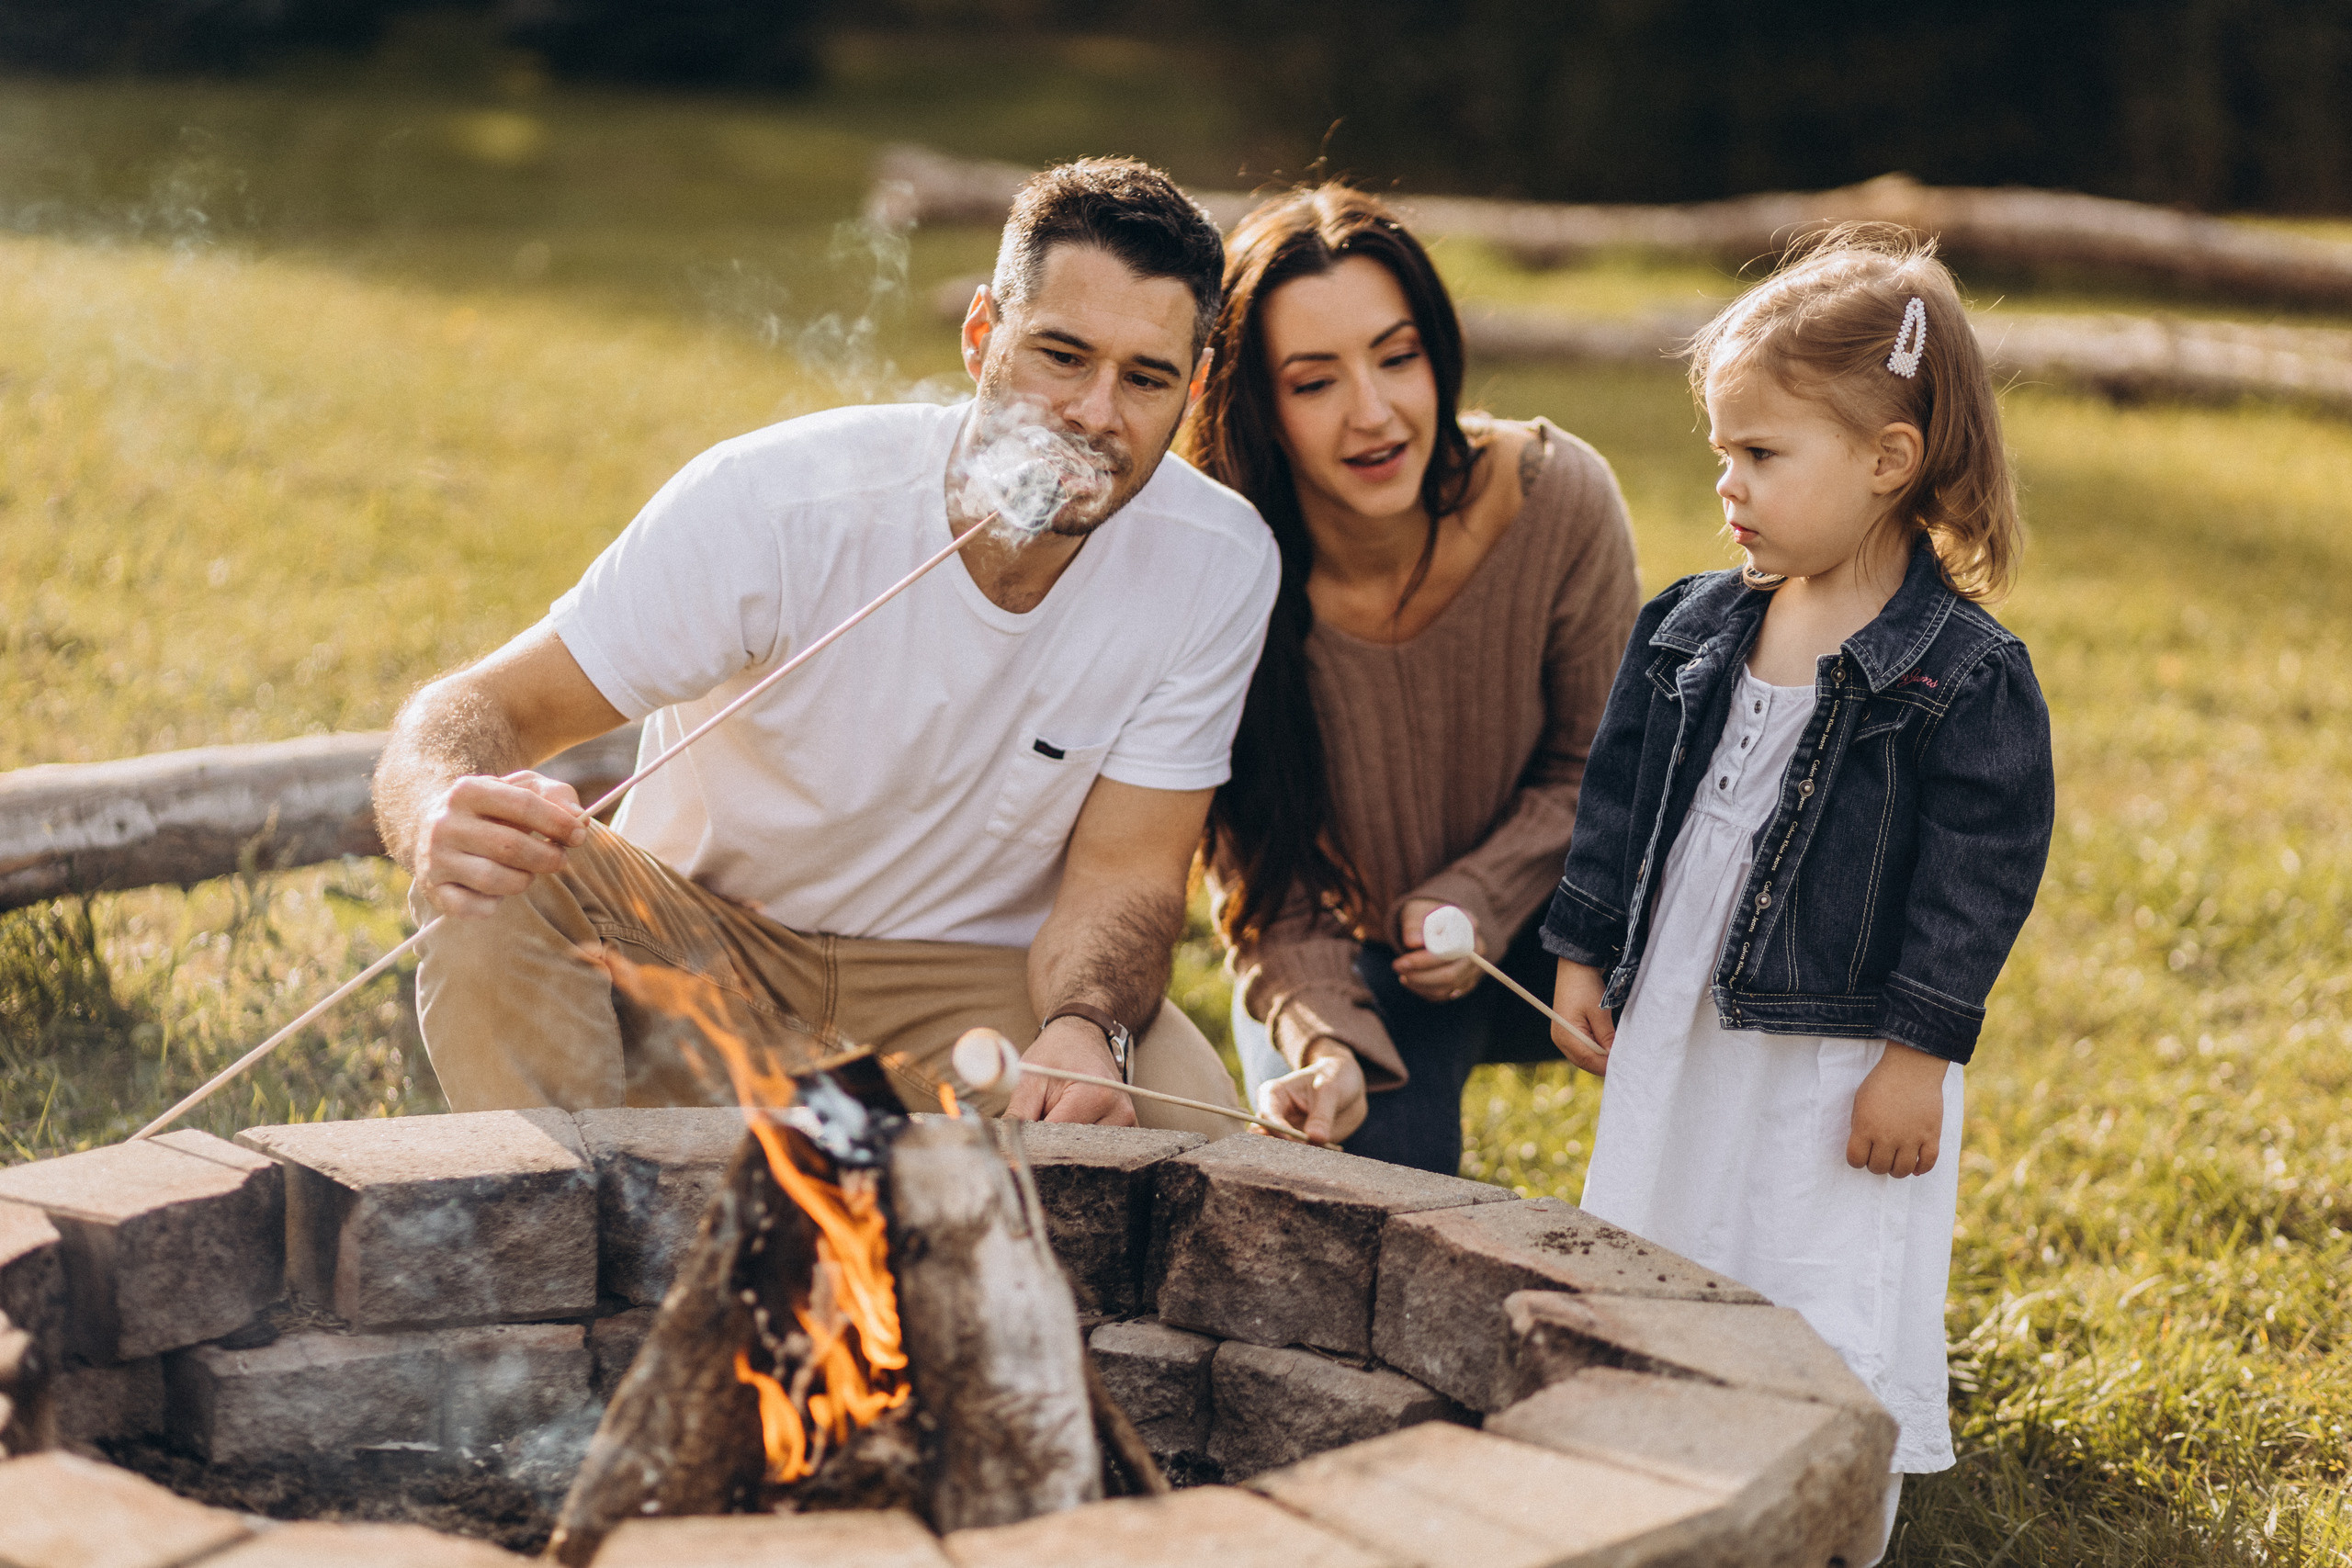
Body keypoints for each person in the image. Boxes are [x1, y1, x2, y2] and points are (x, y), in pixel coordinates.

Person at [369, 158, 1279, 1137]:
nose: (1097, 414)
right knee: (496, 886)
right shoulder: (777, 502)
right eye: (1061, 356)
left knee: (1186, 1123)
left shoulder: (1218, 565)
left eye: (1145, 379)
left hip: (964, 993)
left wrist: (1084, 1024)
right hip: (697, 950)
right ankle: (565, 1234)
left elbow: (1127, 874)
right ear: (982, 338)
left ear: (1192, 388)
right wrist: (434, 810)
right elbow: (483, 711)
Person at [1540, 228, 2055, 1563]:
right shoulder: (1692, 626)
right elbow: (1618, 800)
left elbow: (1978, 873)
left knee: (1813, 1254)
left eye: (1762, 455)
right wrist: (1586, 950)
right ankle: (1666, 1460)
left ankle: (1826, 1511)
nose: (1729, 485)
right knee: (1674, 1216)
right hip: (1686, 1020)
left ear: (1890, 459)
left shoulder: (1960, 669)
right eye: (1724, 452)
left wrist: (1920, 1052)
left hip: (1837, 1054)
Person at [1180, 186, 1642, 1172]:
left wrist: (1479, 892)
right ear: (1254, 406)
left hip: (1570, 924)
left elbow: (1603, 769)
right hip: (1359, 962)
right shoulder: (1212, 578)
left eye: (1398, 357)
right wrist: (1326, 1047)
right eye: (1313, 383)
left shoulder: (1558, 500)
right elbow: (1269, 893)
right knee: (1358, 1189)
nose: (1374, 412)